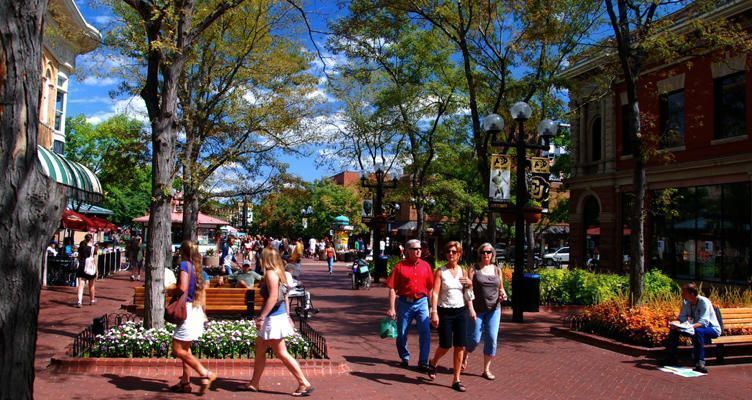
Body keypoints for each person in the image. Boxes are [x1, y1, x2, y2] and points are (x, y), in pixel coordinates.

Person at [244, 248, 314, 396]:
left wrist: (262, 316)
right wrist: (288, 316)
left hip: (273, 317)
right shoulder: (279, 272)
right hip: (278, 316)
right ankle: (254, 383)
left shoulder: (270, 273)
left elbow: (273, 297)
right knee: (260, 349)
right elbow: (285, 296)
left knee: (281, 352)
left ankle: (303, 383)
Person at [169, 241, 215, 395]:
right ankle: (185, 382)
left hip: (186, 310)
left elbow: (182, 287)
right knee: (186, 349)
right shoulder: (198, 269)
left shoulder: (184, 265)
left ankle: (205, 373)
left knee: (177, 349)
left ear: (183, 251)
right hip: (195, 309)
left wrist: (170, 291)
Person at [427, 241, 472, 392]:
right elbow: (435, 292)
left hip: (460, 311)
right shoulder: (441, 271)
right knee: (445, 345)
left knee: (460, 345)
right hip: (445, 311)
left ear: (459, 254)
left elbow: (467, 294)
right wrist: (433, 312)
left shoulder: (463, 271)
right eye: (448, 252)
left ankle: (456, 379)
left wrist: (470, 285)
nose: (450, 254)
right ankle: (433, 362)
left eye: (453, 252)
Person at [386, 239, 434, 371]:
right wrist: (391, 308)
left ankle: (423, 361)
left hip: (422, 302)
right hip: (404, 303)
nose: (419, 251)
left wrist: (432, 307)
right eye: (415, 249)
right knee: (401, 333)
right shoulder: (400, 267)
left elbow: (430, 288)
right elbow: (391, 288)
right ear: (408, 251)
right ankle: (404, 356)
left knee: (425, 332)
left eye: (420, 248)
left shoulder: (426, 266)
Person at [464, 242, 507, 380]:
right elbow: (468, 289)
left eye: (488, 252)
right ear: (479, 254)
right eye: (483, 252)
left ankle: (486, 369)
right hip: (477, 309)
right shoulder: (474, 269)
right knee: (475, 338)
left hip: (494, 309)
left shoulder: (497, 270)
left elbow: (501, 288)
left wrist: (503, 294)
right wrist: (470, 307)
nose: (485, 255)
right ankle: (465, 353)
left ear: (492, 254)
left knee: (492, 338)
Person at [662, 282, 721, 373]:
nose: (682, 295)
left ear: (692, 293)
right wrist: (675, 324)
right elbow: (681, 318)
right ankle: (670, 357)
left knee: (698, 331)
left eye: (684, 293)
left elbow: (703, 322)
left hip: (711, 328)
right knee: (674, 331)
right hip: (692, 327)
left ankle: (699, 362)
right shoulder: (687, 302)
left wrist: (688, 327)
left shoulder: (704, 302)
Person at [74, 234, 98, 308]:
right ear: (91, 239)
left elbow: (79, 257)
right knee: (91, 285)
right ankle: (92, 300)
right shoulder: (93, 248)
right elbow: (94, 259)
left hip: (82, 267)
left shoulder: (81, 247)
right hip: (90, 268)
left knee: (81, 285)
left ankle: (79, 301)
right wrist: (96, 269)